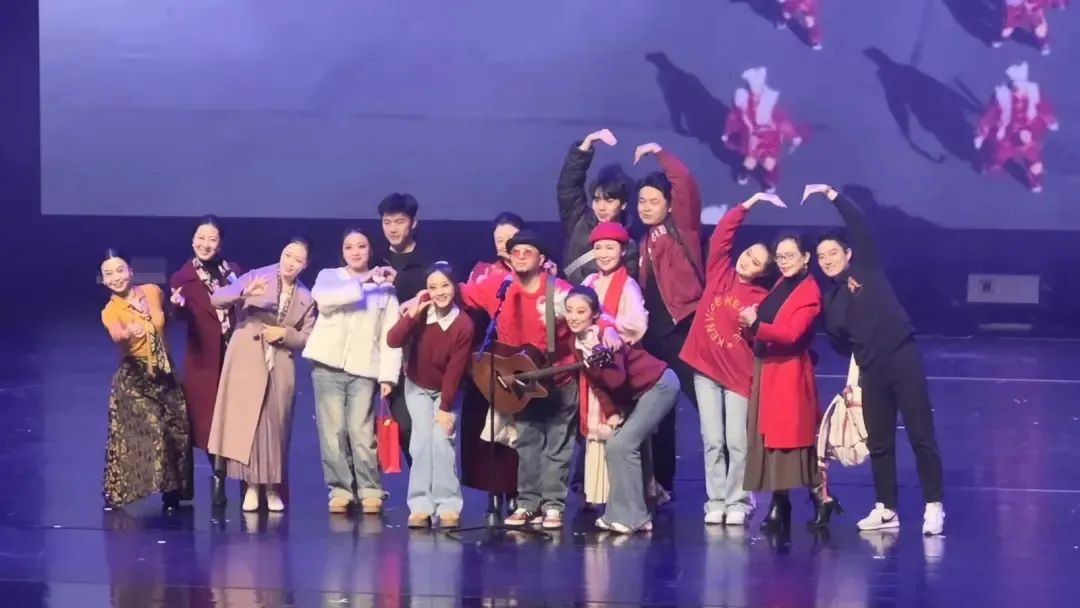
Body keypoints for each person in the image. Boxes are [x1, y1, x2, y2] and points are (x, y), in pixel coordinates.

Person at [803, 183, 945, 536]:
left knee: (921, 436)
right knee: (879, 443)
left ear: (848, 253)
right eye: (821, 256)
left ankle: (933, 505)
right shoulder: (830, 300)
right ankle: (886, 509)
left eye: (833, 253)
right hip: (870, 371)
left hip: (902, 359)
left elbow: (858, 222)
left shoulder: (866, 267)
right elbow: (838, 342)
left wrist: (830, 194)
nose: (827, 260)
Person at [459, 230, 622, 529]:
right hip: (522, 383)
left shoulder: (558, 292)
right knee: (527, 444)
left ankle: (553, 506)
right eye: (516, 252)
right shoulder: (500, 286)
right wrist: (421, 296)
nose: (520, 257)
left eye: (528, 252)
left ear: (542, 259)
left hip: (559, 380)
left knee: (557, 447)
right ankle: (528, 504)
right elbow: (461, 293)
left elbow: (595, 311)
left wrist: (608, 328)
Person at [679, 192, 782, 526]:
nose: (747, 261)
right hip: (705, 372)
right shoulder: (720, 273)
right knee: (712, 440)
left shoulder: (762, 298)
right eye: (748, 254)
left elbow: (763, 336)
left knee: (737, 443)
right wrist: (748, 204)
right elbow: (722, 237)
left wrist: (755, 323)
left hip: (738, 377)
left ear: (762, 272)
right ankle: (716, 500)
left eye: (755, 262)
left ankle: (738, 500)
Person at [207, 238, 317, 512]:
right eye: (287, 255)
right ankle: (252, 488)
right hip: (247, 357)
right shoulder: (258, 276)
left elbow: (308, 336)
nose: (290, 263)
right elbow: (217, 298)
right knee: (250, 425)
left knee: (276, 426)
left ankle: (272, 488)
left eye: (297, 260)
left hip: (279, 361)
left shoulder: (306, 297)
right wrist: (243, 292)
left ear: (305, 265)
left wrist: (285, 334)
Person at [738, 233, 838, 532]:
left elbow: (792, 333)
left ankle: (821, 498)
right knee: (769, 441)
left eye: (790, 256)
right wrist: (751, 324)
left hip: (789, 373)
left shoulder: (809, 292)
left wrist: (756, 325)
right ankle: (780, 504)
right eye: (780, 257)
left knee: (792, 442)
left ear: (805, 257)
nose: (783, 262)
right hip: (768, 368)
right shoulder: (782, 282)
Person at [564, 286, 680, 534]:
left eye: (581, 311)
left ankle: (631, 517)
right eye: (569, 310)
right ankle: (629, 514)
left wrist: (600, 355)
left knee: (622, 445)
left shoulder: (605, 337)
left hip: (659, 384)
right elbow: (597, 384)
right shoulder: (576, 342)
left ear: (594, 315)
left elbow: (616, 380)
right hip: (637, 395)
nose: (573, 317)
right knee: (619, 445)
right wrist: (612, 413)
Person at [303, 229, 401, 515]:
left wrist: (388, 376)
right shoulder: (329, 277)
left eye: (361, 246)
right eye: (349, 247)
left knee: (361, 431)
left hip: (364, 369)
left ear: (370, 250)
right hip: (326, 366)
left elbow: (390, 335)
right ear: (342, 251)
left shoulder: (385, 288)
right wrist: (362, 280)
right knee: (332, 431)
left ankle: (370, 488)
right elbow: (323, 300)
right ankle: (340, 489)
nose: (355, 252)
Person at [633, 141, 704, 497]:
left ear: (670, 205)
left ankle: (739, 487)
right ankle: (661, 484)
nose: (646, 207)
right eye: (641, 201)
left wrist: (659, 152)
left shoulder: (682, 229)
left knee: (708, 409)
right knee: (660, 414)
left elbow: (685, 182)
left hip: (684, 331)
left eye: (654, 201)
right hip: (655, 340)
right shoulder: (642, 242)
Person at [99, 250, 192, 510]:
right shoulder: (110, 310)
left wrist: (175, 305)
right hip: (135, 377)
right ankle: (118, 492)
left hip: (164, 371)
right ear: (103, 280)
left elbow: (165, 320)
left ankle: (172, 492)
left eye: (120, 270)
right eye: (109, 274)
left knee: (177, 430)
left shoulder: (152, 291)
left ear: (131, 272)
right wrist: (127, 332)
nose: (116, 277)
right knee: (154, 429)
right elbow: (116, 335)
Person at [386, 263, 475, 529]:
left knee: (442, 440)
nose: (439, 292)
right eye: (433, 287)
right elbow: (393, 340)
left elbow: (454, 371)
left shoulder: (463, 325)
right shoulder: (422, 314)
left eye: (445, 285)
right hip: (418, 386)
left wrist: (445, 408)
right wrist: (411, 315)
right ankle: (420, 505)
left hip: (449, 390)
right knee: (421, 442)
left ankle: (448, 504)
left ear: (454, 287)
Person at [169, 215, 243, 506]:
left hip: (236, 356)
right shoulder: (182, 278)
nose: (205, 244)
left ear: (220, 244)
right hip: (204, 360)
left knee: (236, 420)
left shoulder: (234, 272)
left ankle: (244, 481)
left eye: (212, 239)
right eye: (201, 238)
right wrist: (177, 307)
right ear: (192, 241)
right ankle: (218, 479)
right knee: (209, 422)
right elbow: (181, 314)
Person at [577, 222, 650, 507]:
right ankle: (597, 495)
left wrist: (606, 328)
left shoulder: (628, 285)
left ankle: (622, 498)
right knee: (596, 431)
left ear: (622, 251)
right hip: (591, 366)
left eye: (610, 247)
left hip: (617, 368)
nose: (604, 253)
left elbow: (637, 325)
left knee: (618, 429)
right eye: (599, 248)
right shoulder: (589, 282)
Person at [462, 212, 524, 517]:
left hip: (520, 360)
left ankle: (517, 492)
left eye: (510, 238)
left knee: (516, 429)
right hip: (485, 360)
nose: (504, 244)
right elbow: (466, 299)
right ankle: (491, 492)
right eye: (499, 239)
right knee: (484, 430)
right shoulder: (483, 271)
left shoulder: (537, 270)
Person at [378, 193, 429, 467]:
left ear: (413, 223)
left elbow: (437, 291)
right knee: (400, 427)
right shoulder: (375, 259)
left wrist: (400, 280)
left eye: (399, 221)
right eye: (387, 222)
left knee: (423, 429)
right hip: (386, 356)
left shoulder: (428, 261)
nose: (393, 228)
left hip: (421, 356)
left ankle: (430, 484)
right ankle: (418, 484)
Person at [557, 128, 639, 283]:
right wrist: (587, 143)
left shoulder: (630, 243)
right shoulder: (579, 220)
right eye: (596, 200)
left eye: (609, 201)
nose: (601, 207)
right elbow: (568, 186)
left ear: (623, 204)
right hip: (571, 294)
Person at [974, 62, 1060, 193]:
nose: (1019, 91)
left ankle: (1035, 182)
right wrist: (981, 135)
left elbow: (1044, 108)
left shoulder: (1034, 94)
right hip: (1007, 138)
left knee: (1035, 163)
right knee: (996, 157)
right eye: (1016, 88)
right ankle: (988, 160)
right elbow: (989, 116)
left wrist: (1050, 120)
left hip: (1028, 136)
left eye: (1021, 87)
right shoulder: (1002, 98)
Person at [722, 67, 804, 193]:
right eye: (752, 93)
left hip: (769, 137)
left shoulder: (770, 104)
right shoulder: (742, 102)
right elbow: (734, 118)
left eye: (757, 93)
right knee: (750, 161)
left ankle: (769, 182)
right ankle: (744, 173)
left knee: (769, 162)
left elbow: (782, 121)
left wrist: (793, 135)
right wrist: (728, 131)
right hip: (752, 136)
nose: (755, 97)